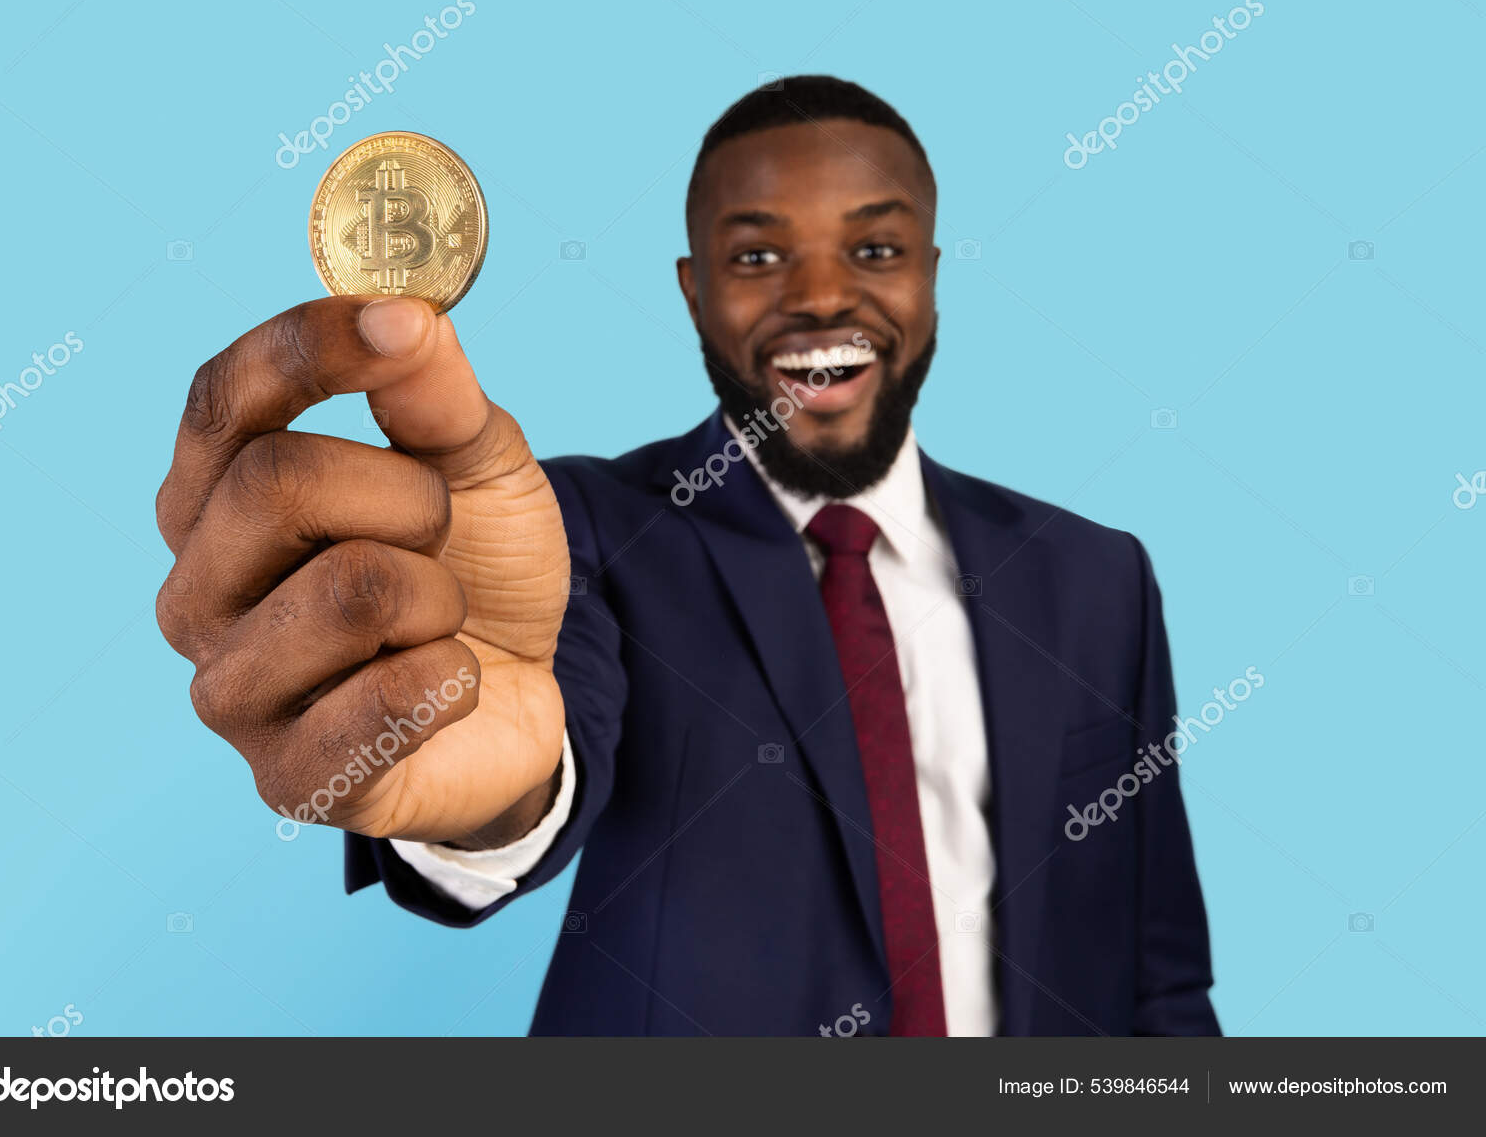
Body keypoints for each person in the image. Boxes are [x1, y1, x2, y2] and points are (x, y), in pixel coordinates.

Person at [154, 75, 1219, 1036]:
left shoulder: (1098, 579)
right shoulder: (578, 524)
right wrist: (480, 789)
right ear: (693, 290)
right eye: (756, 255)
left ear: (931, 279)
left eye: (876, 250)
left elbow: (1161, 982)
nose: (821, 295)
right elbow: (541, 734)